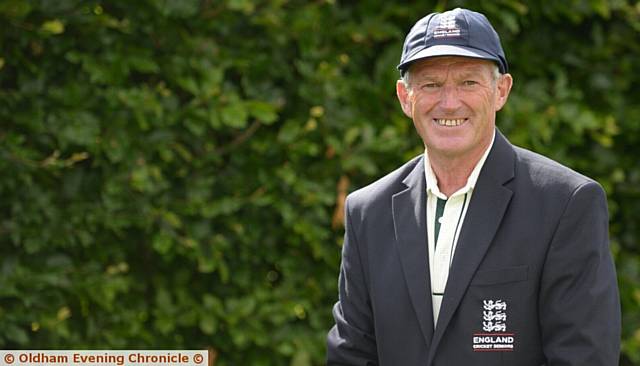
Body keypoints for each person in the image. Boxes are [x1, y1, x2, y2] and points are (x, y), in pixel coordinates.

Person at [326, 7, 620, 366]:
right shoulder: (368, 212)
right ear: (406, 97)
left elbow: (583, 357)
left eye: (468, 82)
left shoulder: (566, 203)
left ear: (501, 91)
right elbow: (351, 355)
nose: (450, 102)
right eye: (432, 84)